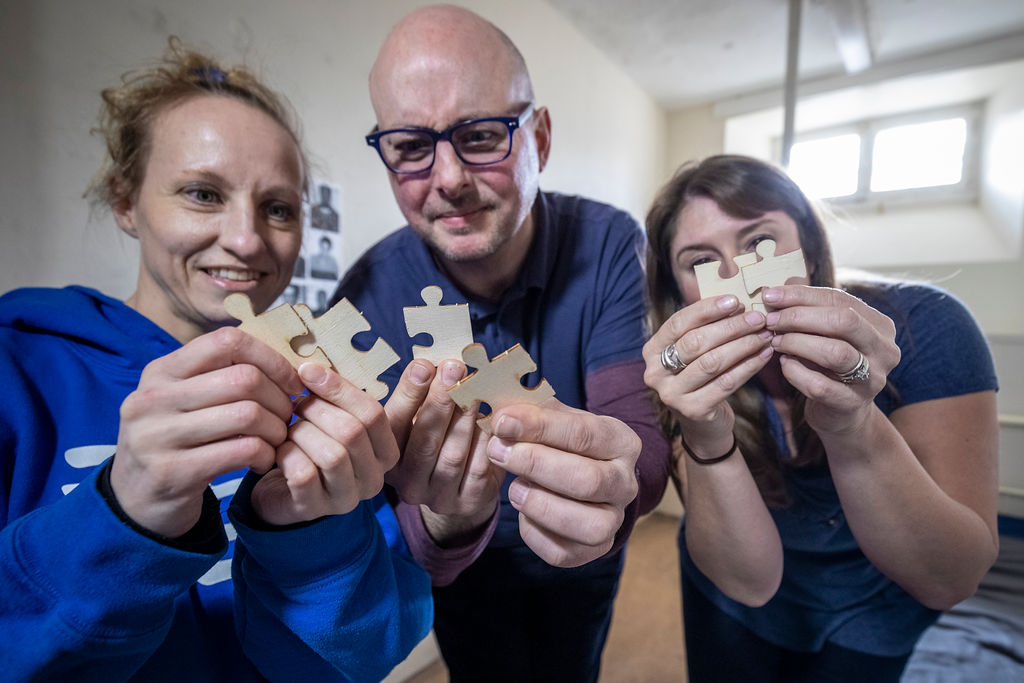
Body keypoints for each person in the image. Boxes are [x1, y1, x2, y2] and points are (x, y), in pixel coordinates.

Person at [0, 41, 431, 682]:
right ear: (125, 202)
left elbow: (363, 657)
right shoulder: (19, 367)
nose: (246, 239)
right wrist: (122, 515)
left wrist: (312, 541)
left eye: (278, 208)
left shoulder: (327, 386)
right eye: (203, 194)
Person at [333, 5, 671, 681]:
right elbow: (369, 500)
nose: (450, 177)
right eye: (409, 146)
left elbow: (642, 445)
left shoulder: (608, 241)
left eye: (482, 135)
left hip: (583, 563)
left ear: (539, 138)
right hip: (458, 573)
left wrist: (614, 488)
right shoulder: (364, 290)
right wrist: (440, 524)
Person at [642, 154, 1000, 682]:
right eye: (701, 260)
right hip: (733, 601)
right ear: (679, 293)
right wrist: (703, 427)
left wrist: (852, 423)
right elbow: (748, 580)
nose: (738, 274)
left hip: (876, 607)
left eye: (758, 242)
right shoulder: (673, 369)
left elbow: (952, 578)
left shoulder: (929, 326)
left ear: (807, 249)